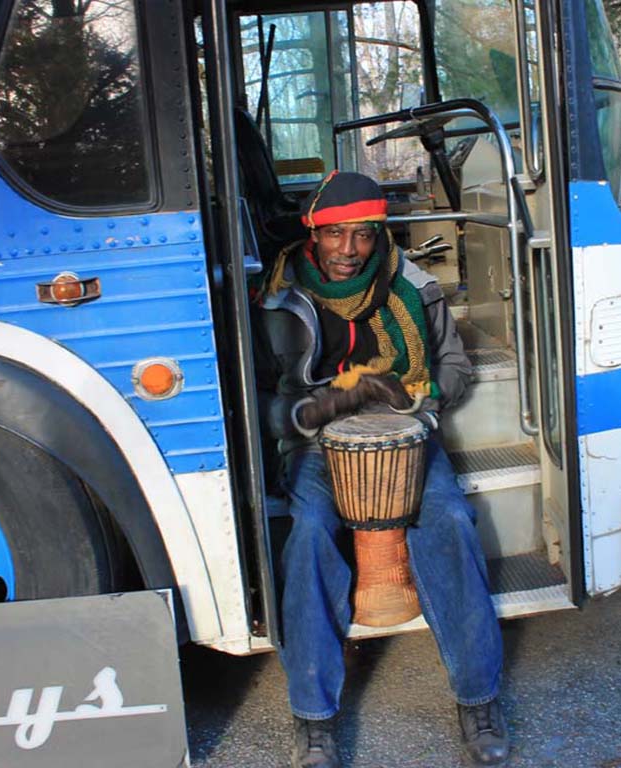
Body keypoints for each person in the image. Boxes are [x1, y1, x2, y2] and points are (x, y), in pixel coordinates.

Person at [251, 171, 509, 768]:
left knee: (449, 521)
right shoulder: (278, 295)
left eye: (363, 235)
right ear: (313, 234)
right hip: (317, 443)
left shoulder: (412, 285)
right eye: (336, 234)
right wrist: (314, 412)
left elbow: (452, 363)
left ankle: (479, 698)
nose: (349, 250)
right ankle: (313, 718)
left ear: (378, 236)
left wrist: (424, 405)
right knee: (310, 534)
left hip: (406, 435)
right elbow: (260, 396)